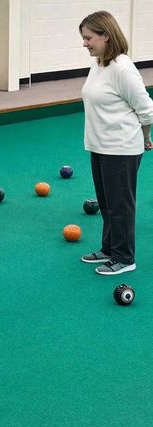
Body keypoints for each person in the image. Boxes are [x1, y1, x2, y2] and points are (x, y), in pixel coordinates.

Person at [79, 11, 153, 275]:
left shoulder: (123, 68)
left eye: (89, 38)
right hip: (99, 146)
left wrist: (145, 138)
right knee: (107, 202)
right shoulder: (99, 63)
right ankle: (109, 249)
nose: (85, 43)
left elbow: (146, 109)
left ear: (106, 36)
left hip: (121, 148)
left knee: (121, 205)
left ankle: (124, 257)